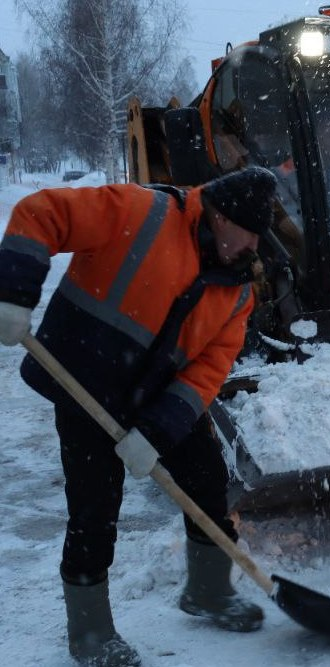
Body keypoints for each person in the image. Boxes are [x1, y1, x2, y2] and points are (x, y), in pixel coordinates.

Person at [0, 166, 278, 666]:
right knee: (94, 508)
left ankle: (208, 591)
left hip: (156, 394)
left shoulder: (238, 291)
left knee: (207, 481)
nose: (254, 245)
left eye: (261, 234)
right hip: (84, 379)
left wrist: (155, 431)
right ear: (218, 215)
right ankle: (90, 634)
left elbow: (206, 373)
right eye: (248, 232)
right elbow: (40, 214)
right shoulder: (139, 212)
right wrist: (13, 294)